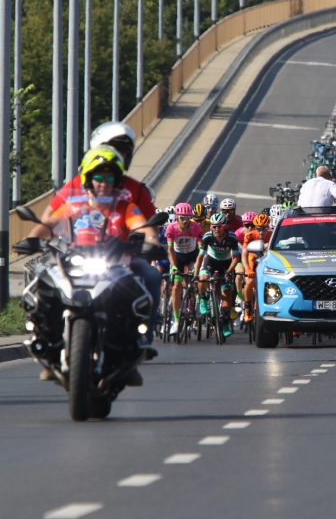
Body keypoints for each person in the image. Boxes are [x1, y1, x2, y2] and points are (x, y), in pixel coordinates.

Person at [27, 146, 160, 385]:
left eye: (109, 177)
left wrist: (151, 241)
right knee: (40, 277)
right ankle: (44, 337)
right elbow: (50, 223)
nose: (104, 183)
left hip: (115, 268)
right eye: (98, 177)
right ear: (89, 179)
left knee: (149, 279)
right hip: (73, 264)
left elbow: (143, 226)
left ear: (117, 180)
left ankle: (139, 344)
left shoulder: (125, 206)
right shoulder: (74, 206)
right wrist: (31, 239)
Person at [42, 124, 156, 224]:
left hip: (121, 247)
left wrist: (149, 241)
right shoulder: (76, 185)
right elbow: (48, 218)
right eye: (111, 150)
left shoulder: (135, 190)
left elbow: (151, 227)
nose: (116, 156)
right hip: (80, 246)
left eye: (122, 152)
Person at [197, 212, 241, 336]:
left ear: (225, 226)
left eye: (219, 226)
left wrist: (229, 271)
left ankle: (225, 323)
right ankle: (204, 299)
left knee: (227, 292)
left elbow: (236, 259)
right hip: (210, 261)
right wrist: (196, 275)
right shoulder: (207, 237)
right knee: (203, 279)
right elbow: (200, 256)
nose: (216, 229)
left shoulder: (232, 237)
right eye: (214, 226)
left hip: (226, 264)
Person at [165, 203, 204, 334]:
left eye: (188, 218)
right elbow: (170, 250)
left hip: (193, 256)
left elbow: (201, 251)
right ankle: (176, 321)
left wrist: (196, 269)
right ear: (177, 217)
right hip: (178, 258)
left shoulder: (196, 227)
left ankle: (198, 304)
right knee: (176, 286)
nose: (186, 221)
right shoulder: (171, 228)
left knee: (198, 280)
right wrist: (174, 266)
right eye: (183, 218)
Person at [240, 214, 273, 324]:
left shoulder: (273, 235)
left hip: (267, 259)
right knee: (250, 280)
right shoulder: (249, 235)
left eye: (263, 229)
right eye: (258, 229)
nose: (261, 232)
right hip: (252, 258)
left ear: (268, 227)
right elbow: (244, 255)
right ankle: (247, 306)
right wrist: (247, 269)